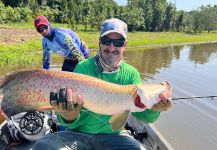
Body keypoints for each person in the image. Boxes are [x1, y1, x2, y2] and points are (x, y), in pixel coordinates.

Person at [32, 18, 172, 150]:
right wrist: (69, 115)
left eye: (118, 43)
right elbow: (67, 121)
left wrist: (155, 109)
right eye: (106, 41)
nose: (111, 47)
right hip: (77, 135)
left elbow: (143, 117)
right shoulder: (83, 67)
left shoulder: (131, 74)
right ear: (100, 42)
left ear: (125, 45)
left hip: (114, 138)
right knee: (42, 147)